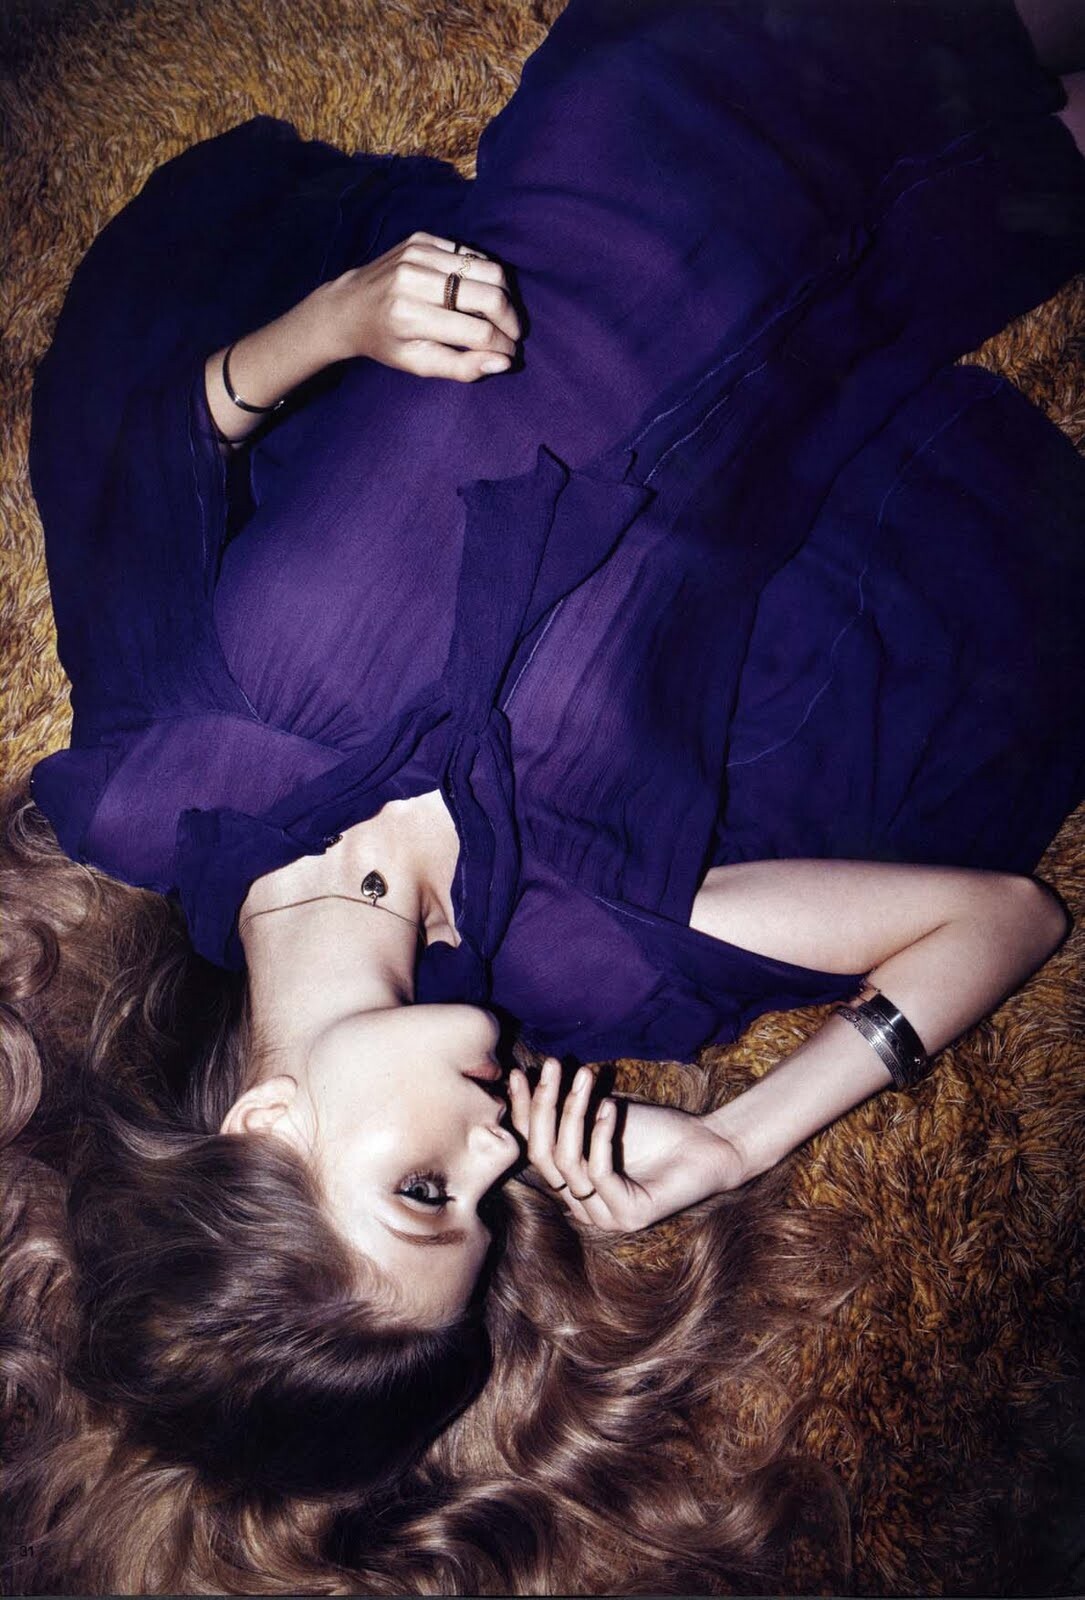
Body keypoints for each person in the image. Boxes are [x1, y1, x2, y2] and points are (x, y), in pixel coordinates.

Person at [3, 0, 1085, 1590]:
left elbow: (141, 446)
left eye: (424, 1192)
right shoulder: (583, 951)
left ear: (265, 1126)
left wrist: (330, 327)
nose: (499, 1159)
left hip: (673, 125)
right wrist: (738, 1141)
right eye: (482, 1211)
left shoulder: (159, 785)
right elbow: (998, 918)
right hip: (878, 289)